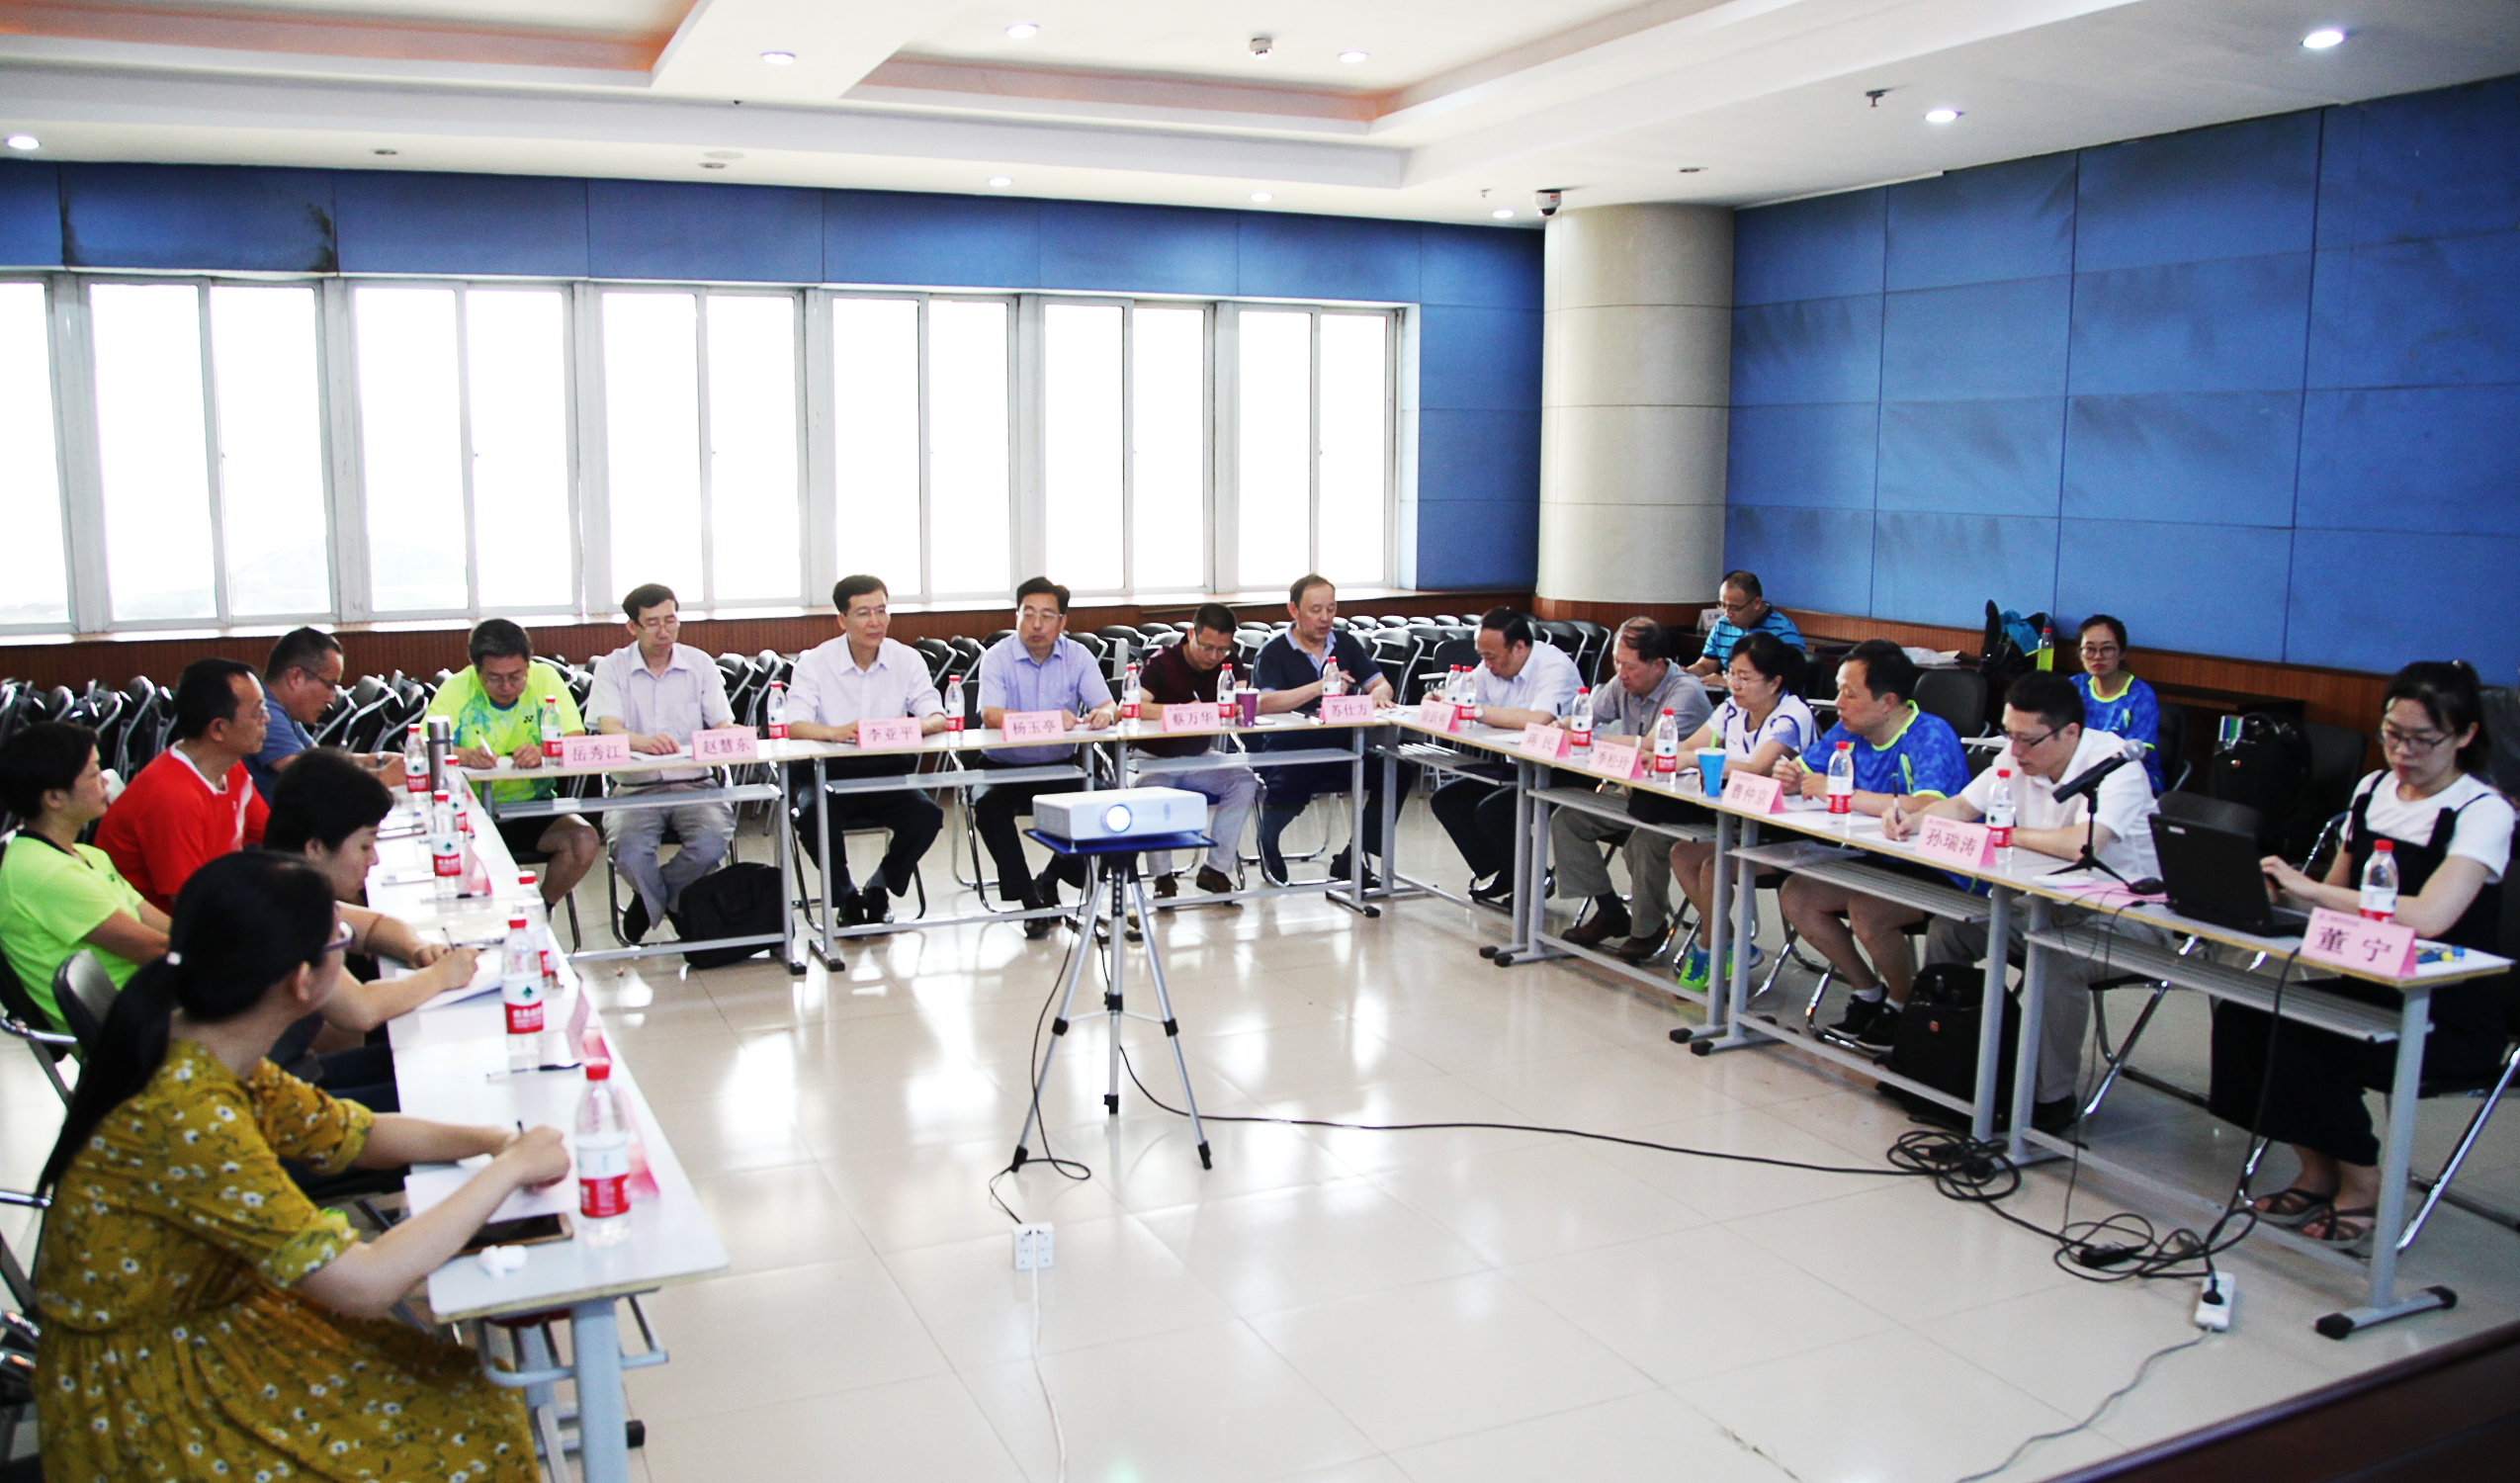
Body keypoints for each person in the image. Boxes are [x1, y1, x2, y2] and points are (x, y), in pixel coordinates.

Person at [33, 850, 568, 1482]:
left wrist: (491, 1140)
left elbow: (354, 1133)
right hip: (150, 1395)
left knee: (469, 1399)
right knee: (467, 1431)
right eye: (338, 938)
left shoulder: (203, 1044)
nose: (347, 946)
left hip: (204, 1325)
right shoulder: (188, 1112)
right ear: (301, 980)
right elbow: (365, 1283)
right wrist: (507, 1170)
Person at [2212, 661, 2514, 1246]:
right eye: (2392, 734)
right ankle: (2316, 1168)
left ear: (2465, 735)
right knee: (2248, 1016)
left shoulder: (2483, 811)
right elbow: (2336, 894)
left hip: (2445, 1007)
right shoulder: (2372, 789)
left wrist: (2311, 889)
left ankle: (2362, 1182)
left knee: (2309, 1040)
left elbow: (2430, 916)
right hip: (2368, 978)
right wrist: (2275, 892)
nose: (2403, 751)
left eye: (2422, 739)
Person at [1901, 671, 2162, 1132]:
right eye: (2009, 735)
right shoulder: (2017, 755)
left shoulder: (2116, 766)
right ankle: (1944, 1056)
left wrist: (2004, 834)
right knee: (1951, 929)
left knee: (2056, 958)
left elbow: (2083, 844)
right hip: (2046, 906)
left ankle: (2049, 1098)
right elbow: (1962, 806)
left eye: (2027, 740)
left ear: (2070, 733)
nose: (2015, 750)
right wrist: (1913, 820)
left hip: (2128, 919)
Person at [1774, 639, 1971, 1046]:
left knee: (1867, 909)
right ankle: (1867, 992)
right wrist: (1790, 776)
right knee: (1798, 893)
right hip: (1879, 858)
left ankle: (1903, 1005)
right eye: (1838, 690)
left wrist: (1840, 792)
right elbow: (1803, 771)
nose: (1838, 703)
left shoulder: (1930, 734)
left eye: (1849, 693)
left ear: (1887, 702)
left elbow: (1927, 806)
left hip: (1940, 868)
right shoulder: (1850, 730)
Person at [261, 748, 483, 1109]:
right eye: (365, 845)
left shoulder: (280, 879)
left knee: (441, 1070)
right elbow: (360, 1010)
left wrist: (416, 949)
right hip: (271, 1105)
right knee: (448, 1097)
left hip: (292, 1073)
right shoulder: (285, 907)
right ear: (316, 847)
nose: (374, 859)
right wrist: (442, 975)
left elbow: (374, 927)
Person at [784, 574, 949, 931]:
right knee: (814, 818)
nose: (875, 622)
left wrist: (916, 725)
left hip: (886, 773)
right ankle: (845, 895)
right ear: (842, 620)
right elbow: (795, 725)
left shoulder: (907, 659)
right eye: (863, 613)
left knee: (926, 817)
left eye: (881, 611)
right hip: (827, 774)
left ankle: (879, 886)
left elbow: (937, 715)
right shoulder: (815, 662)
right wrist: (835, 732)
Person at [1665, 632, 1820, 990]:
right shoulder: (1732, 708)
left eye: (1745, 677)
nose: (1734, 684)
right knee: (1683, 855)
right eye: (1731, 674)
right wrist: (1656, 753)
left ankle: (1709, 948)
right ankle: (1731, 942)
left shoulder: (1792, 714)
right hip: (1743, 824)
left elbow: (1757, 769)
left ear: (1774, 683)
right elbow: (1688, 746)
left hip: (1789, 833)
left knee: (1713, 866)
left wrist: (1692, 759)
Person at [1552, 618, 1713, 961]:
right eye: (1617, 663)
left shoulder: (1685, 691)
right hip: (1636, 796)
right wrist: (1559, 726)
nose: (1621, 674)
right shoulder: (1622, 683)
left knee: (1644, 840)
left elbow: (1653, 745)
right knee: (1567, 819)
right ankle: (1609, 910)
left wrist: (1587, 738)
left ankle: (1649, 928)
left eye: (1630, 666)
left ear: (1658, 664)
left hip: (1682, 806)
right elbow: (1585, 718)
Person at [586, 583, 739, 944]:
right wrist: (644, 742)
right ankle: (670, 902)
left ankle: (650, 901)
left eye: (670, 620)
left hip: (695, 784)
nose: (663, 631)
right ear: (632, 627)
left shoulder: (699, 663)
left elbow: (722, 722)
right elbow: (608, 728)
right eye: (652, 622)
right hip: (635, 787)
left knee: (711, 843)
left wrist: (729, 734)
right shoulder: (612, 668)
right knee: (628, 853)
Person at [0, 722, 169, 1027]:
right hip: (130, 1031)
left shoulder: (88, 856)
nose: (105, 780)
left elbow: (164, 926)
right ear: (54, 798)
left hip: (151, 1005)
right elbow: (155, 948)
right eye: (93, 773)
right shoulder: (45, 873)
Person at [976, 578, 1117, 940]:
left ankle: (1049, 878)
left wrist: (1104, 713)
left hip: (1059, 767)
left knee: (1106, 804)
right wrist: (1050, 720)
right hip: (1003, 768)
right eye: (1028, 614)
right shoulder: (997, 657)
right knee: (988, 807)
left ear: (1062, 621)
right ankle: (1030, 901)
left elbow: (1107, 703)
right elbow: (991, 715)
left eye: (1047, 616)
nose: (1036, 624)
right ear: (1017, 615)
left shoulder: (1077, 656)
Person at [427, 618, 600, 909]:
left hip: (533, 807)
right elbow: (426, 747)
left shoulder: (544, 678)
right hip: (470, 814)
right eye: (494, 678)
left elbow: (575, 738)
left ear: (528, 665)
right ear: (476, 669)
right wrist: (465, 755)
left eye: (517, 676)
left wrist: (544, 751)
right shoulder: (457, 688)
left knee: (583, 840)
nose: (507, 687)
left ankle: (541, 908)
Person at [1252, 574, 1402, 887]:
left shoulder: (1345, 644)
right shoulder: (1274, 651)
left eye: (1331, 609)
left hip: (1343, 745)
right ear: (1294, 610)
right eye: (1316, 610)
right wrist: (1319, 686)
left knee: (1397, 771)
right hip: (1290, 747)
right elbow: (1264, 703)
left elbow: (1380, 683)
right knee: (1289, 783)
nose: (1325, 618)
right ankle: (1269, 844)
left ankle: (1354, 855)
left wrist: (1378, 694)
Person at [1429, 607, 1582, 908]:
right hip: (1519, 765)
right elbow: (1461, 697)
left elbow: (1538, 719)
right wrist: (1438, 699)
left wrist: (1475, 711)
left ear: (1519, 647)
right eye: (1482, 656)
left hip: (1565, 771)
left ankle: (1532, 879)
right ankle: (1508, 871)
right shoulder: (1491, 666)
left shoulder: (1554, 667)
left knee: (1494, 811)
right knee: (1448, 800)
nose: (1486, 664)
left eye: (1492, 657)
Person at [96, 656, 271, 913]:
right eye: (257, 713)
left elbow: (274, 836)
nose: (267, 719)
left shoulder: (230, 768)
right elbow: (193, 906)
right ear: (218, 728)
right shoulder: (173, 796)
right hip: (164, 928)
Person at [1133, 604, 1260, 899]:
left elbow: (1239, 700)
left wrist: (1237, 709)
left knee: (1244, 780)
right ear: (1191, 634)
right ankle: (1163, 877)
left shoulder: (1229, 663)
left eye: (1222, 649)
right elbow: (1134, 707)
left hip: (1200, 757)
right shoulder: (1162, 662)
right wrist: (1180, 712)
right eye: (1207, 647)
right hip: (1154, 760)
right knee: (1152, 796)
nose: (1213, 656)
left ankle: (1215, 869)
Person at [249, 625, 403, 802]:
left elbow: (322, 764)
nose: (331, 699)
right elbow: (313, 780)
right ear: (296, 677)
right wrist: (383, 778)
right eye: (329, 686)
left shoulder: (284, 711)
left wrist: (380, 760)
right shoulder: (265, 714)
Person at [2069, 614, 2164, 792]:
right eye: (2090, 649)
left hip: (2131, 779)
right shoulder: (2073, 687)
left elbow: (2137, 755)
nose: (2098, 656)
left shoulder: (2141, 696)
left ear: (2122, 652)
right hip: (2079, 773)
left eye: (2107, 649)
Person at [1688, 570, 1804, 681]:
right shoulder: (1722, 624)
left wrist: (1729, 683)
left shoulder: (1783, 631)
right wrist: (1685, 673)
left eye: (1734, 608)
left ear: (1756, 603)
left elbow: (1788, 682)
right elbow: (1706, 666)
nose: (1727, 614)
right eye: (1723, 605)